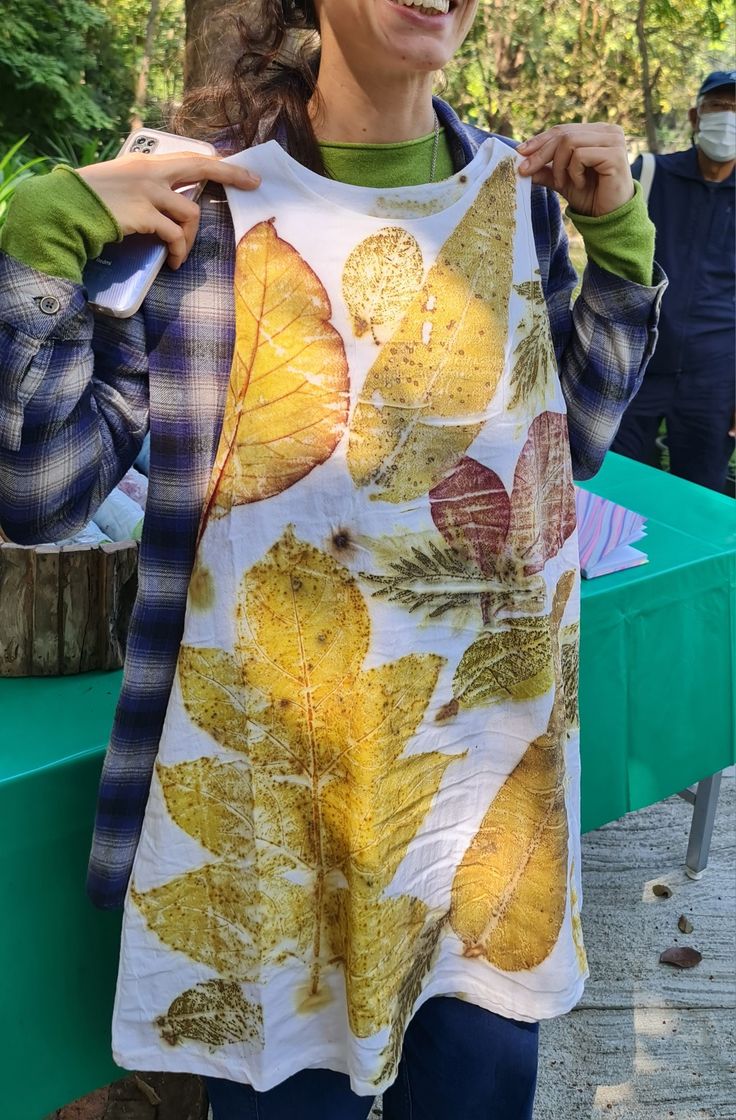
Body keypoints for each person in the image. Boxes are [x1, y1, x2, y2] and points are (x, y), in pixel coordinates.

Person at [0, 2, 665, 1117]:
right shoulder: (204, 212)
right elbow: (43, 490)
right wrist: (44, 231)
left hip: (479, 822)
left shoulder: (525, 208)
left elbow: (574, 443)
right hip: (281, 842)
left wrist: (622, 248)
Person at [612, 70, 736, 494]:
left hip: (715, 380)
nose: (728, 118)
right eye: (718, 106)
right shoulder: (648, 174)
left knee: (701, 496)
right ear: (695, 116)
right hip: (635, 369)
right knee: (619, 487)